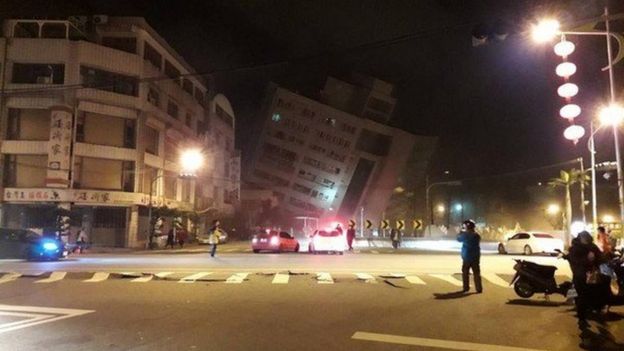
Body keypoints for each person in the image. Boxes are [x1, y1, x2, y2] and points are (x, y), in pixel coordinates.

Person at [567, 231, 610, 330]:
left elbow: (600, 258)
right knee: (582, 298)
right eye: (584, 238)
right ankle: (582, 321)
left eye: (587, 238)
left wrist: (607, 260)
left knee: (596, 293)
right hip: (580, 277)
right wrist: (588, 260)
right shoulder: (575, 248)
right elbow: (575, 262)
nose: (585, 240)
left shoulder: (592, 247)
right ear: (580, 238)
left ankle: (595, 311)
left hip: (592, 277)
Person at [456, 219, 482, 293]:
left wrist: (460, 233)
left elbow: (458, 239)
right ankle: (479, 288)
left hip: (467, 257)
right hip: (476, 257)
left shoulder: (465, 235)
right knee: (476, 273)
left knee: (465, 273)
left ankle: (466, 287)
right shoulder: (477, 235)